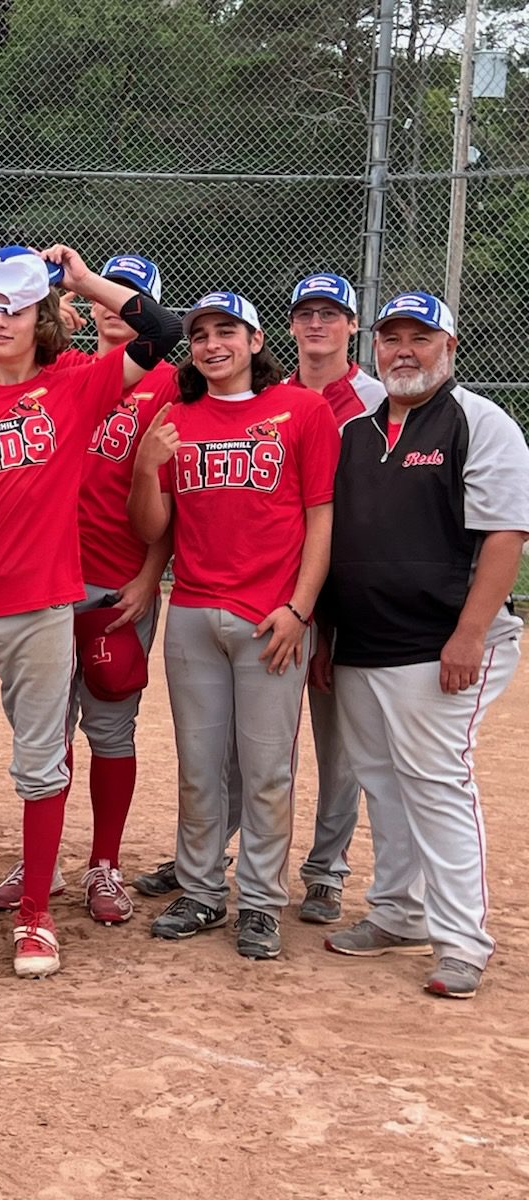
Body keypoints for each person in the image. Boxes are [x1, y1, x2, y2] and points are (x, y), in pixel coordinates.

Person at [0, 247, 180, 977]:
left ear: (41, 316)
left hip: (41, 607)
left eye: (14, 308)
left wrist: (83, 281)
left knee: (40, 764)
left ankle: (37, 916)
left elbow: (160, 332)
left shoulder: (73, 387)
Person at [318, 292, 529, 1000]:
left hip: (442, 643)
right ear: (375, 346)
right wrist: (327, 633)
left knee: (437, 782)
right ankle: (400, 912)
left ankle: (463, 940)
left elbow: (505, 535)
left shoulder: (478, 422)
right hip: (363, 643)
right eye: (392, 337)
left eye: (420, 336)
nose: (403, 349)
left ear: (450, 346)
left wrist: (469, 635)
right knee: (383, 782)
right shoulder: (353, 432)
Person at [130, 291, 338, 961]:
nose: (212, 343)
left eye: (227, 331)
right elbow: (152, 529)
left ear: (254, 342)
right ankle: (200, 890)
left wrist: (299, 609)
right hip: (193, 609)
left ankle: (260, 902)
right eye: (200, 334)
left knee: (267, 767)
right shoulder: (175, 417)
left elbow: (320, 519)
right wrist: (143, 466)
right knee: (199, 765)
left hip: (270, 617)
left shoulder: (301, 409)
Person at [0, 254, 176, 925]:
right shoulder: (61, 373)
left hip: (118, 581)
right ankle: (42, 865)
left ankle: (105, 863)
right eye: (100, 299)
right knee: (44, 733)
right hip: (46, 579)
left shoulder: (169, 382)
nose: (113, 309)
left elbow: (178, 496)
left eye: (128, 297)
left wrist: (152, 574)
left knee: (112, 726)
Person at [283, 272, 386, 924]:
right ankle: (206, 860)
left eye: (331, 315)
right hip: (274, 587)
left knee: (336, 743)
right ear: (291, 325)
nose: (317, 325)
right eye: (306, 314)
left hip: (344, 593)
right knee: (250, 741)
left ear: (352, 326)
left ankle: (326, 871)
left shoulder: (375, 399)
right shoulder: (272, 393)